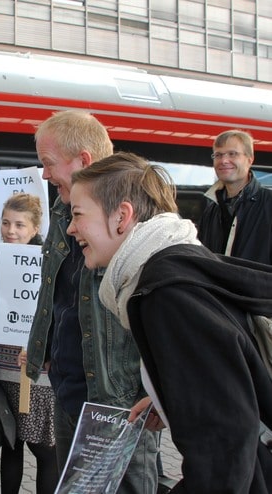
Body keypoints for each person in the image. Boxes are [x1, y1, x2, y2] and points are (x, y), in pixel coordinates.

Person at [67, 151, 272, 493]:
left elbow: (225, 441)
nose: (71, 227)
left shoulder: (164, 294)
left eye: (77, 214)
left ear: (122, 215)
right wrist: (168, 396)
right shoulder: (178, 259)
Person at [24, 110, 158, 492]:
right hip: (70, 389)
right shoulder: (62, 206)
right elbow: (57, 290)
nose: (44, 174)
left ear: (83, 161)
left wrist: (156, 394)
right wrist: (44, 347)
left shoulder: (136, 218)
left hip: (118, 401)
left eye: (49, 163)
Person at [0, 193, 58, 494]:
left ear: (35, 228)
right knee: (11, 445)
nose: (11, 230)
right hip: (2, 367)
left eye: (20, 225)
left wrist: (41, 348)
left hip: (36, 372)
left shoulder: (49, 263)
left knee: (45, 450)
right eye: (6, 223)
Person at [198, 129, 272, 265]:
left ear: (250, 159)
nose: (224, 161)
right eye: (218, 155)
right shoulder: (211, 210)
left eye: (233, 154)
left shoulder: (269, 204)